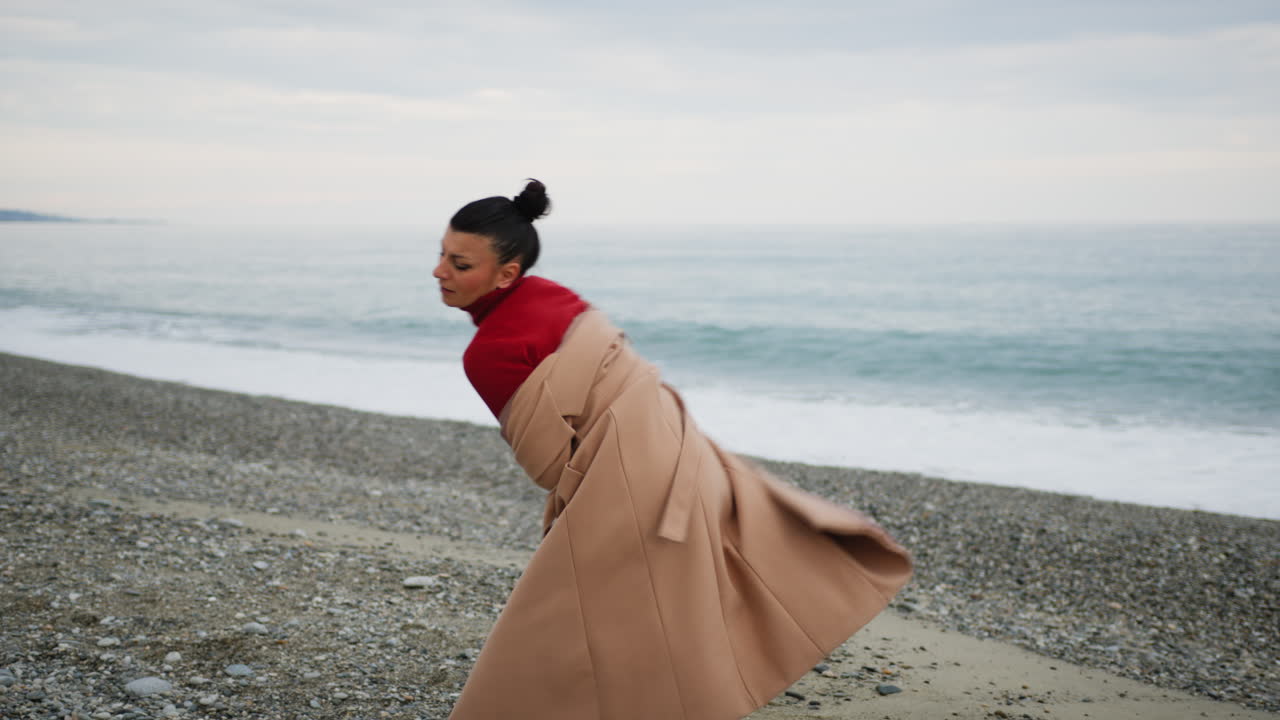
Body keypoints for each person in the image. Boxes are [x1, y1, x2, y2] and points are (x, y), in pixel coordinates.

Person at [434, 179, 912, 720]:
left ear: (507, 275)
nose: (439, 272)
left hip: (632, 477)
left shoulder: (488, 354)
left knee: (566, 610)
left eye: (459, 263)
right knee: (680, 588)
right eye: (442, 255)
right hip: (683, 446)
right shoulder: (557, 297)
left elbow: (549, 466)